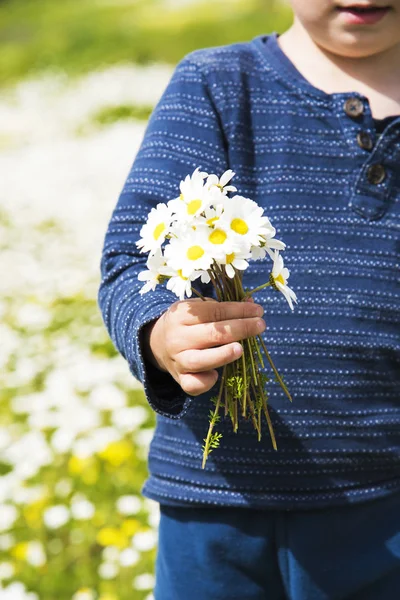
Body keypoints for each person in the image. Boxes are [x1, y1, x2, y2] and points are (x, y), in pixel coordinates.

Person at [98, 1, 400, 597]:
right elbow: (131, 258)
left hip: (388, 503)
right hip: (217, 502)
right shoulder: (215, 83)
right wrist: (162, 334)